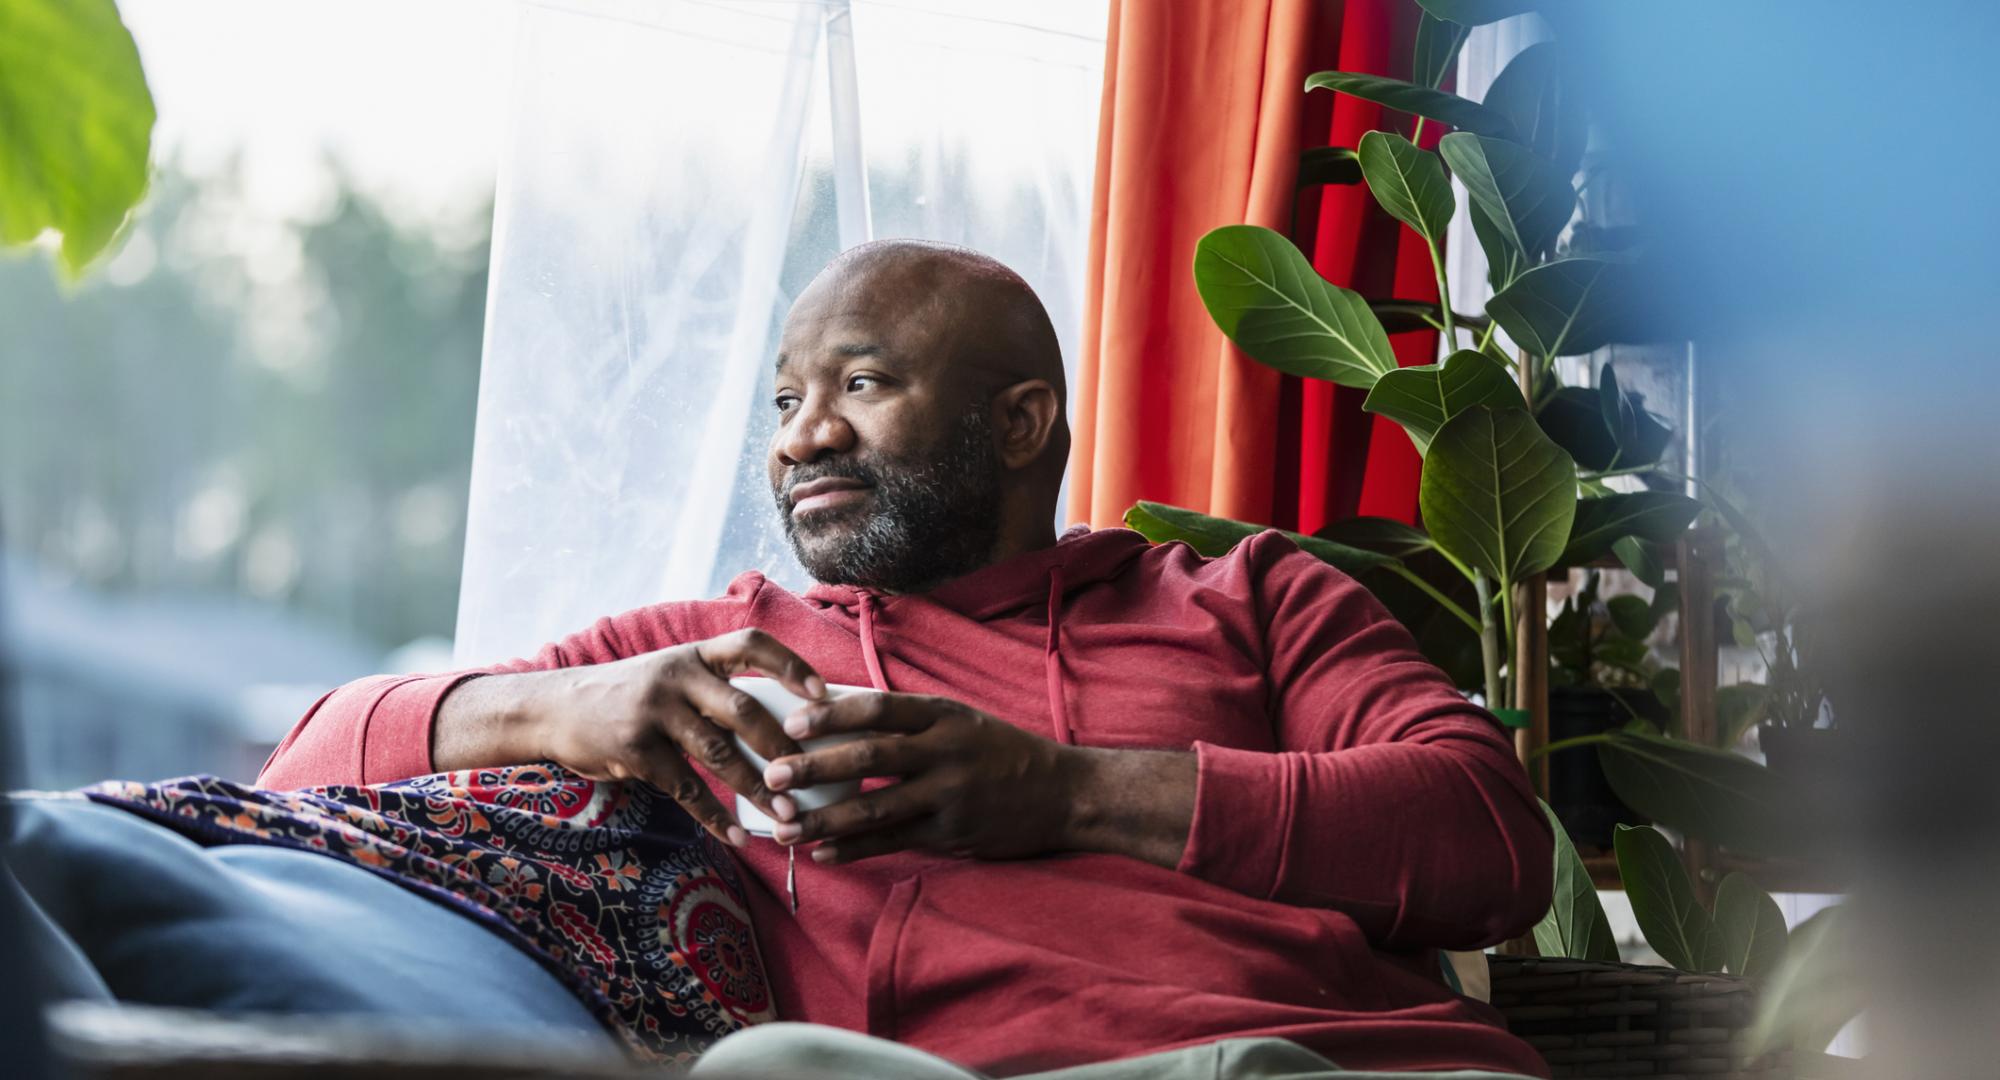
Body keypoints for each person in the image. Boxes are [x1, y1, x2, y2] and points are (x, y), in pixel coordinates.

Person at [256, 240, 1554, 1079]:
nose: (801, 437)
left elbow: (1493, 843)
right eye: (782, 402)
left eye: (859, 385)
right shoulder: (718, 658)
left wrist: (1067, 792)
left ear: (1019, 422)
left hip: (1352, 1064)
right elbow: (304, 768)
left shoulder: (1251, 594)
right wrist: (576, 701)